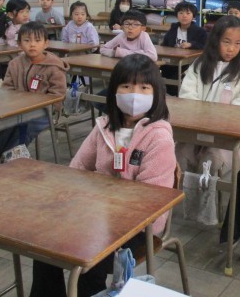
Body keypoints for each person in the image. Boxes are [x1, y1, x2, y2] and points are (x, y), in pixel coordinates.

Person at [30, 54, 175, 297]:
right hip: (93, 215)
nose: (134, 94)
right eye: (126, 86)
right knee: (44, 245)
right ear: (114, 91)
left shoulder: (158, 137)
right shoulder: (105, 127)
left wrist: (99, 212)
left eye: (144, 88)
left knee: (89, 262)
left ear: (156, 93)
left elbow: (151, 203)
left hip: (137, 229)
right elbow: (77, 169)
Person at [177, 15, 240, 176]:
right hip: (195, 128)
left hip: (227, 136)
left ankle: (208, 193)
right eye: (226, 42)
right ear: (215, 40)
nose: (231, 49)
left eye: (237, 43)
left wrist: (217, 121)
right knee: (179, 156)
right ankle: (180, 192)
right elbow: (187, 95)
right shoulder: (200, 64)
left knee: (210, 162)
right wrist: (201, 119)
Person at [0, 22, 69, 159]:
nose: (32, 44)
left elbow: (58, 95)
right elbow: (7, 89)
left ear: (46, 43)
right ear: (19, 44)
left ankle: (10, 157)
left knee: (24, 125)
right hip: (17, 109)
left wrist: (39, 106)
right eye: (27, 40)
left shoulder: (54, 66)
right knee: (4, 124)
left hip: (45, 112)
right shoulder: (15, 64)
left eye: (37, 40)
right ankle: (0, 155)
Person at [161, 1, 207, 95]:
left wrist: (191, 44)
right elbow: (165, 45)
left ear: (193, 16)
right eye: (181, 13)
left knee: (175, 76)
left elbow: (205, 46)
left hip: (190, 62)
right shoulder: (173, 28)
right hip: (172, 60)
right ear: (177, 15)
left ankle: (176, 95)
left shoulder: (200, 31)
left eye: (188, 13)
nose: (184, 16)